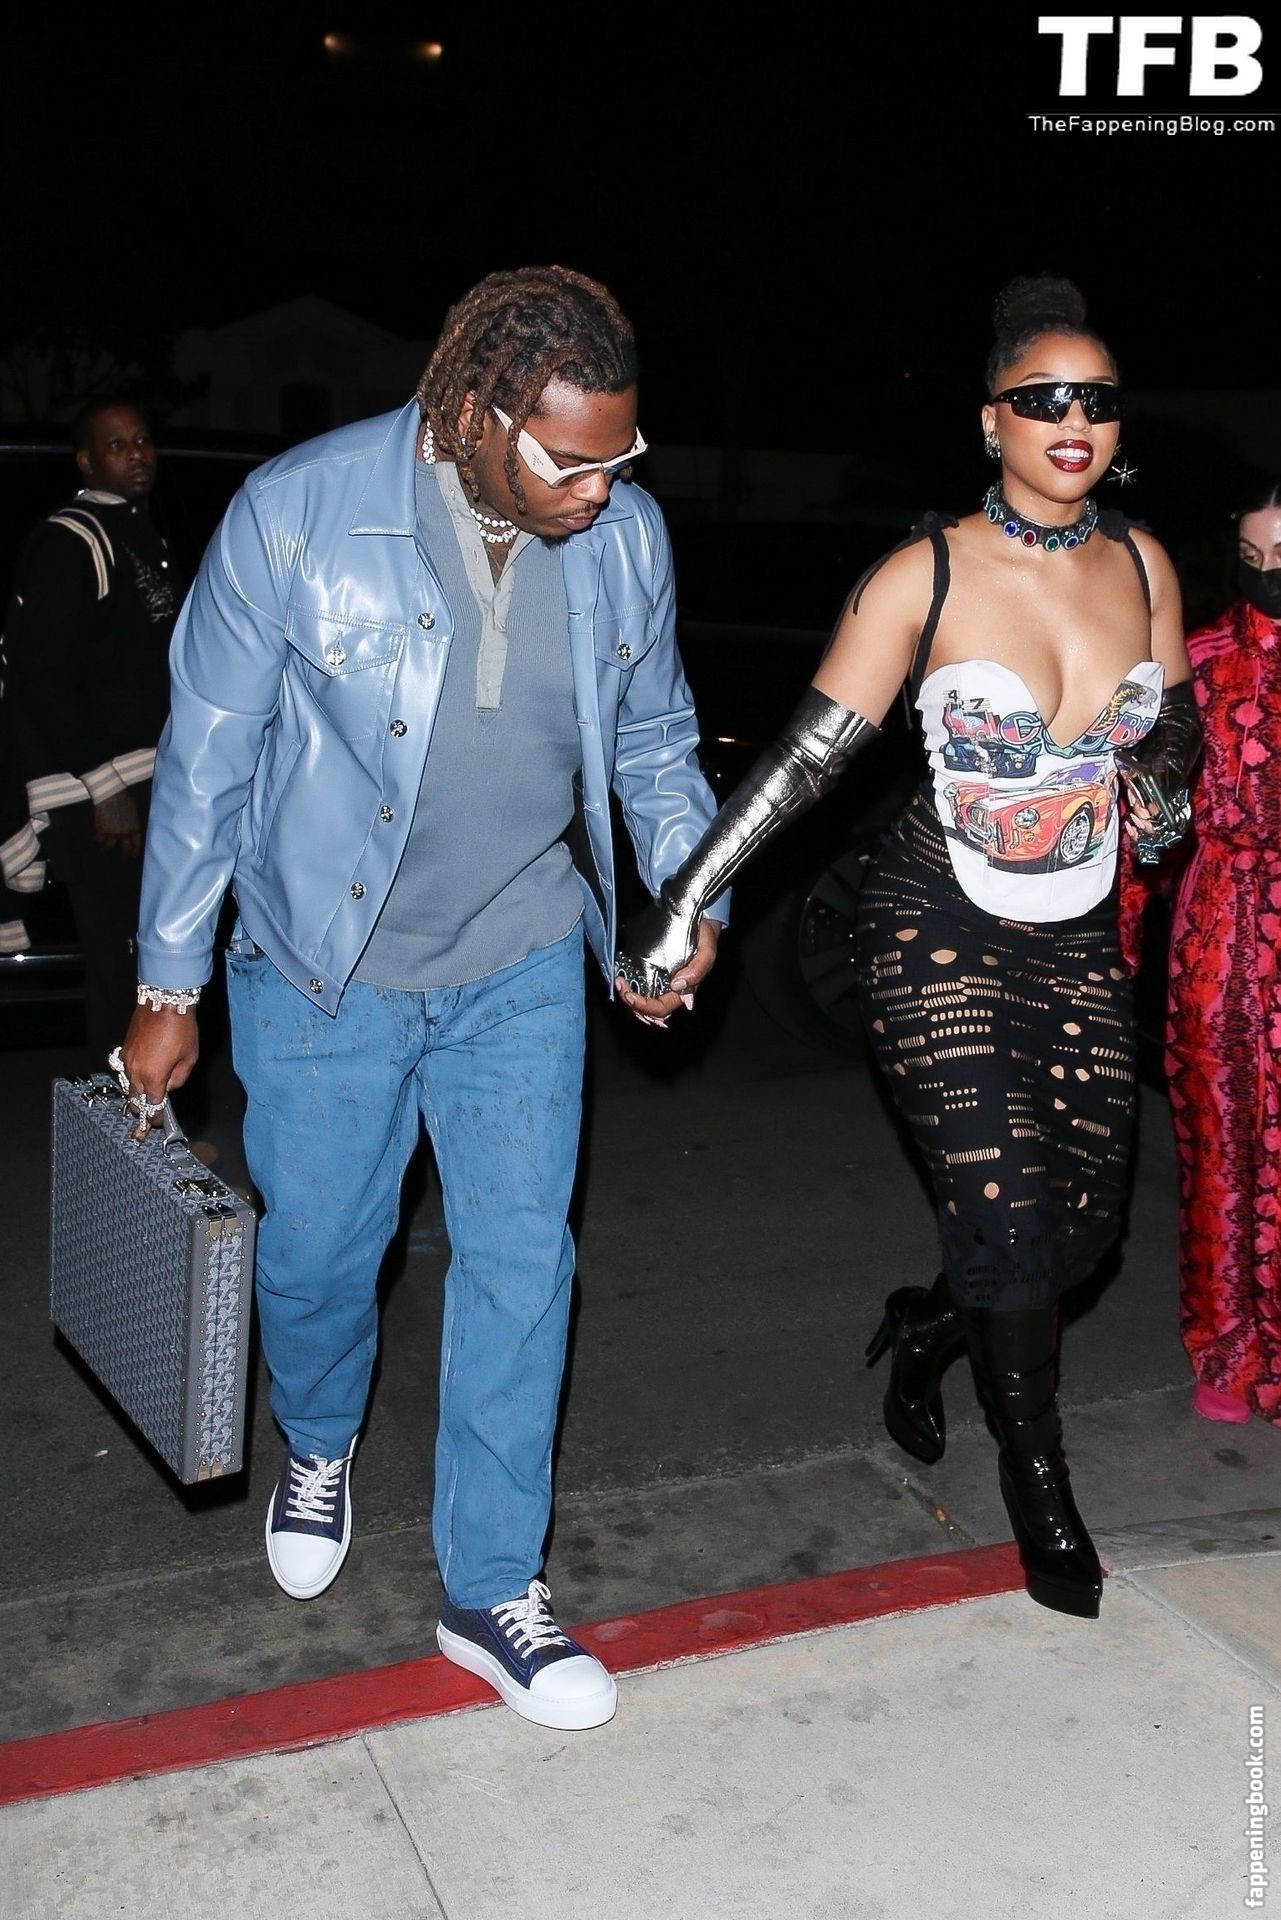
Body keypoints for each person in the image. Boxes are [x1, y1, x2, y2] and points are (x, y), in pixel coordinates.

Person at [119, 265, 724, 1732]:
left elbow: (654, 743)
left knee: (523, 1263)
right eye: (571, 459)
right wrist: (166, 980)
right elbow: (206, 761)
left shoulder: (624, 538)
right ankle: (319, 1434)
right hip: (322, 967)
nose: (604, 488)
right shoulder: (297, 513)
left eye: (623, 455)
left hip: (523, 955)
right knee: (319, 1259)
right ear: (474, 416)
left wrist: (685, 895)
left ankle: (491, 1588)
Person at [617, 275, 1200, 1620]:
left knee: (1085, 1230)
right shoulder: (922, 574)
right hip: (937, 924)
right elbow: (801, 765)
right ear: (991, 419)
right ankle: (1039, 1486)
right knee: (1009, 1217)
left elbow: (1172, 721)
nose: (1074, 421)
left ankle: (933, 1324)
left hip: (1073, 939)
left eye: (1098, 400)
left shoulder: (1145, 565)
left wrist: (1161, 779)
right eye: (1043, 399)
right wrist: (685, 898)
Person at [1, 400, 180, 1060]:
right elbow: (40, 676)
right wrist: (105, 787)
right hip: (99, 790)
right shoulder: (70, 540)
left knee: (149, 957)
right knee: (120, 961)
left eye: (142, 439)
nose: (136, 454)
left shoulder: (136, 532)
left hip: (143, 777)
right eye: (116, 445)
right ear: (86, 460)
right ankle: (125, 1111)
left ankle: (148, 1106)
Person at [1163, 483, 1281, 1425]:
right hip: (1222, 925)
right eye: (1250, 560)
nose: (1266, 576)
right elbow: (1141, 816)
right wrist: (1110, 947)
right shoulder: (1197, 659)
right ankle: (1226, 1348)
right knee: (1218, 1139)